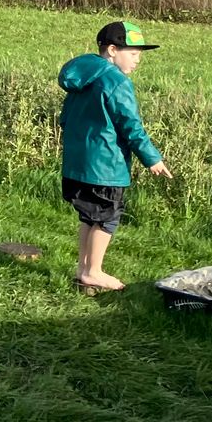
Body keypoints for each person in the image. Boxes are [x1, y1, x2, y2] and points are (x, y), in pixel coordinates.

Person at [58, 21, 173, 292]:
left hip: (78, 163)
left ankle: (83, 268)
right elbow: (130, 125)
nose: (137, 60)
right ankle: (94, 271)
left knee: (89, 217)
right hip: (106, 167)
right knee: (106, 219)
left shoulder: (83, 77)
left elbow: (65, 118)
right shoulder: (116, 81)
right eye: (132, 53)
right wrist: (152, 158)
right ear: (112, 50)